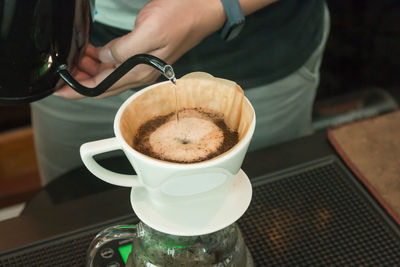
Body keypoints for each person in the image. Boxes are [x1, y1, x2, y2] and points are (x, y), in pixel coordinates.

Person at [31, 0, 330, 185]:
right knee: (74, 208)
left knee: (264, 206)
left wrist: (212, 6)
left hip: (256, 46)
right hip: (69, 44)